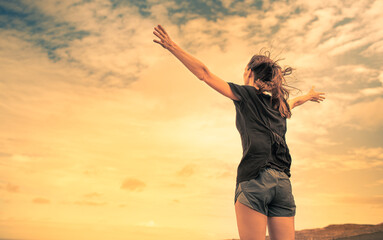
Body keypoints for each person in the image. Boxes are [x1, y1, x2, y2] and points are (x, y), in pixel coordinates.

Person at [153, 24, 326, 240]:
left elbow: (205, 74)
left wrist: (172, 46)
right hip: (283, 184)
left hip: (256, 179)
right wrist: (307, 96)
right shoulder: (279, 106)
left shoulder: (245, 95)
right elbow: (294, 102)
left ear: (249, 72)